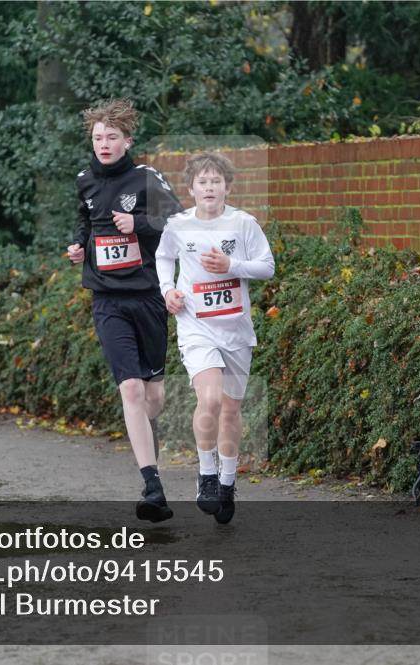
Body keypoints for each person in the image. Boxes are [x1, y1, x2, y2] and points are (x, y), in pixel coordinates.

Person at [66, 99, 184, 522]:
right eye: (97, 138)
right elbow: (85, 219)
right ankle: (153, 486)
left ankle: (147, 436)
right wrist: (79, 244)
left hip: (148, 295)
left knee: (153, 394)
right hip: (107, 300)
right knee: (130, 389)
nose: (103, 144)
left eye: (111, 137)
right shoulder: (84, 180)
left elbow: (180, 224)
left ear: (127, 140)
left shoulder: (147, 178)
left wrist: (140, 226)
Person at [155, 152, 275, 524]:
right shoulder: (178, 225)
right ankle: (206, 476)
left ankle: (226, 482)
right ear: (190, 188)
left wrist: (231, 266)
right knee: (209, 399)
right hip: (196, 326)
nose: (209, 187)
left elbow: (267, 266)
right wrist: (167, 291)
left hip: (236, 329)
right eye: (202, 182)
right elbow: (163, 258)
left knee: (231, 409)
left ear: (227, 186)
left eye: (215, 181)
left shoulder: (243, 223)